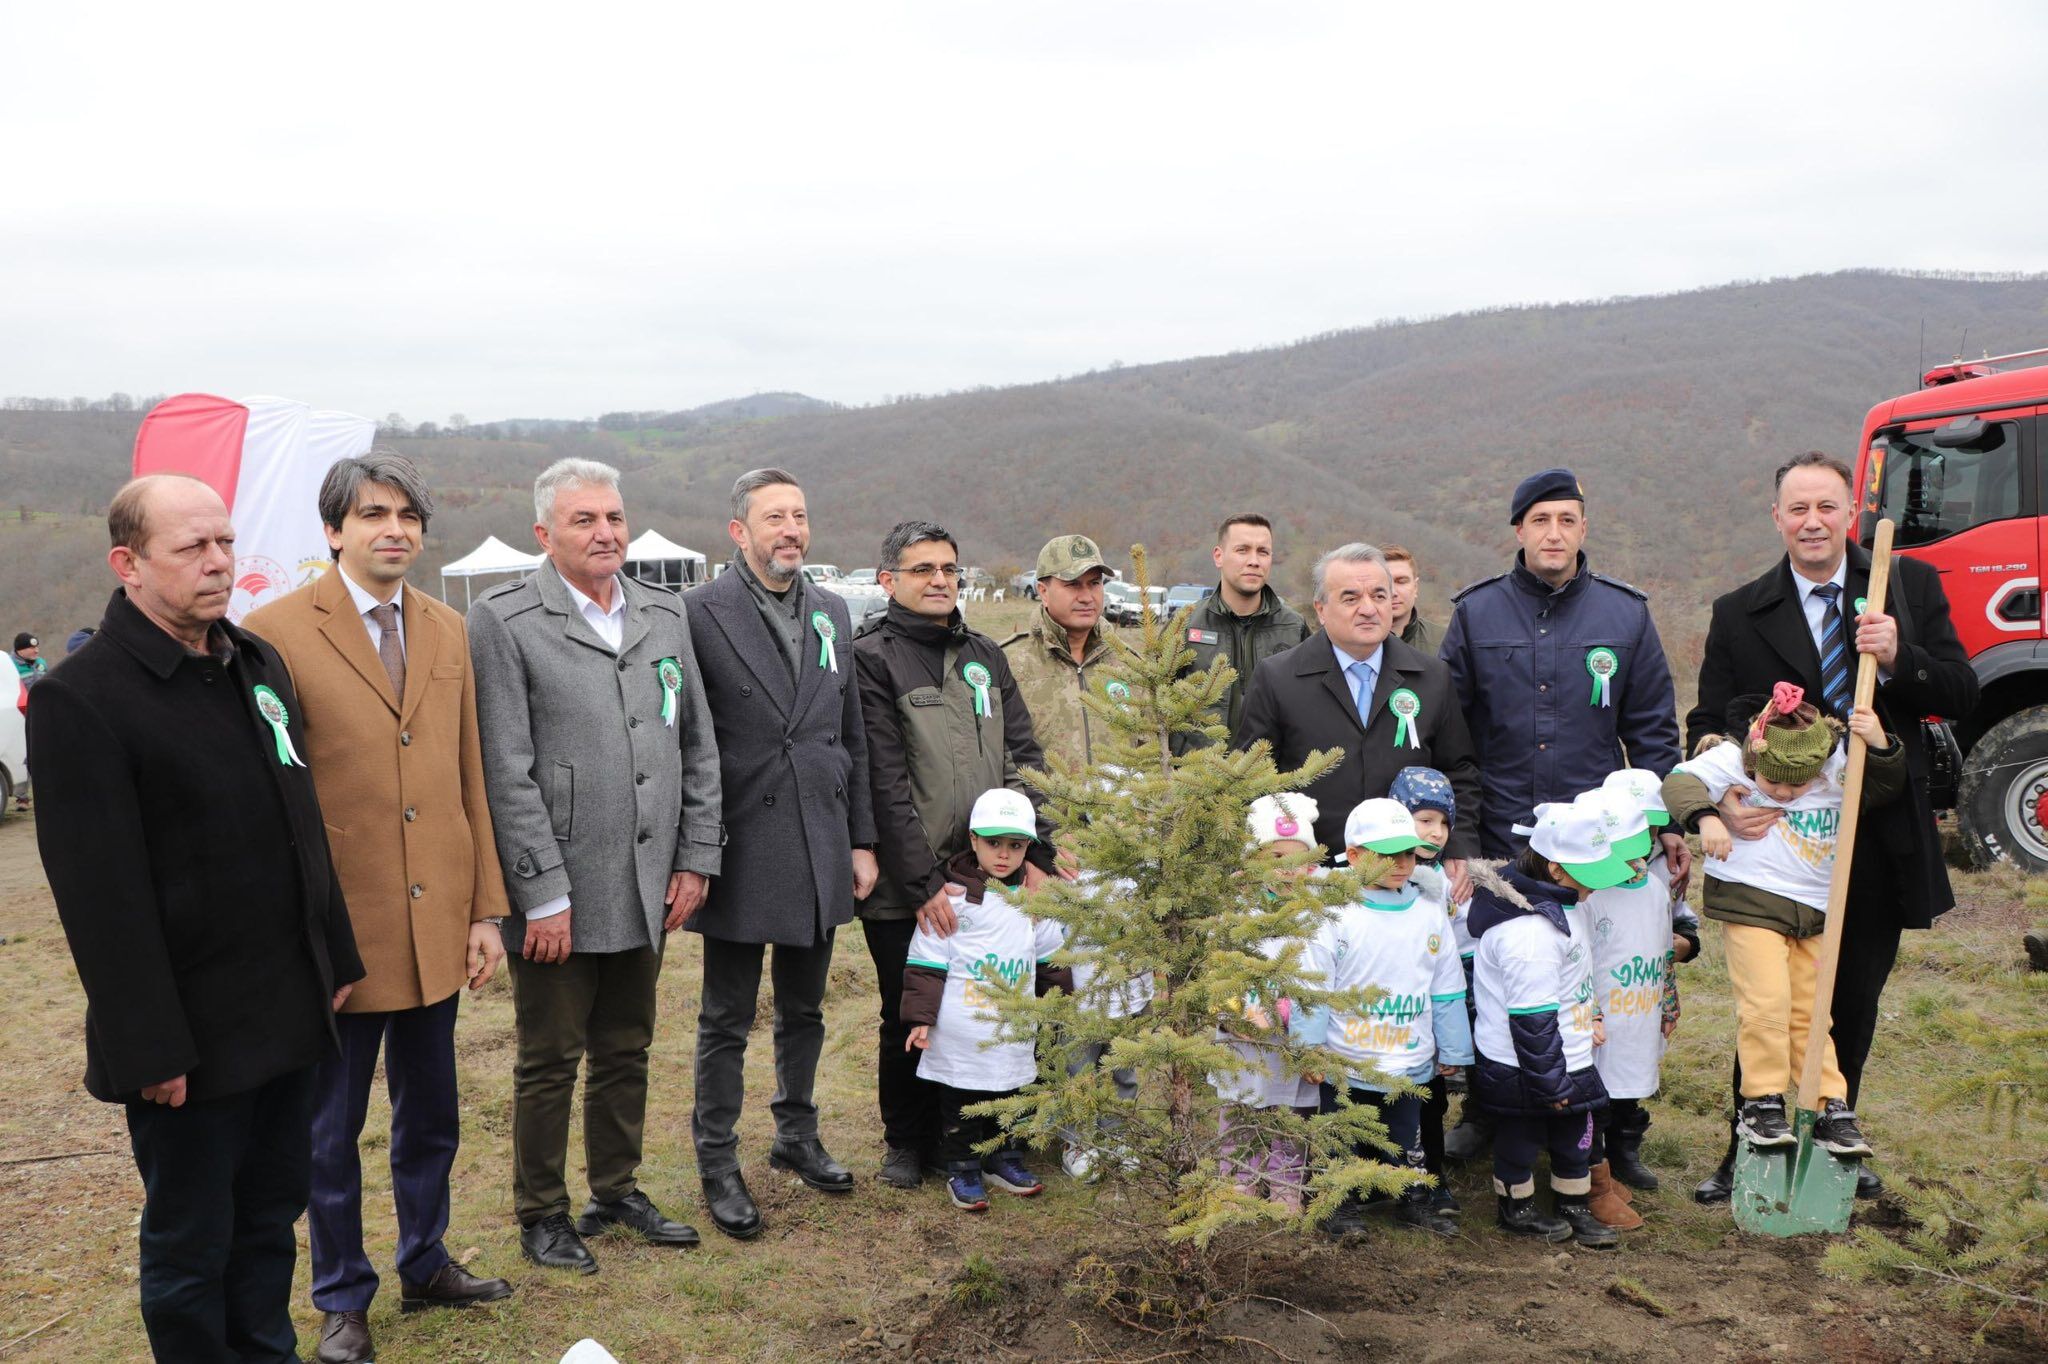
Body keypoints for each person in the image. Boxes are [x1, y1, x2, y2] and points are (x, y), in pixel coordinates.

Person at [30, 473, 363, 1362]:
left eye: (224, 542)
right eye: (193, 548)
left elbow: (302, 824)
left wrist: (334, 958)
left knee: (267, 1220)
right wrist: (150, 1048)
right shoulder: (83, 698)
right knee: (190, 1245)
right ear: (127, 564)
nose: (220, 563)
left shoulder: (254, 663)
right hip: (190, 1041)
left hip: (287, 1013)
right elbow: (101, 900)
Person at [243, 453, 513, 1363]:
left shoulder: (448, 628)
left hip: (438, 923)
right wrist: (300, 938)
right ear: (334, 530)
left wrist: (485, 910)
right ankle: (341, 1297)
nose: (392, 528)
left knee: (431, 1115)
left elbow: (469, 774)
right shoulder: (273, 633)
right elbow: (268, 801)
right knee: (331, 1130)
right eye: (371, 513)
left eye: (405, 514)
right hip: (338, 937)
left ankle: (426, 1258)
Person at [1686, 450, 1977, 1204]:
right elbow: (1708, 721)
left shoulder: (1904, 585)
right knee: (1771, 1000)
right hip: (1778, 845)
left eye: (1826, 507)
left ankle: (1831, 1140)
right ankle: (1747, 1145)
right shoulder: (1738, 610)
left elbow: (1961, 687)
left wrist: (1898, 655)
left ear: (1849, 513)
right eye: (1797, 508)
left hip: (1878, 830)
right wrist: (1718, 801)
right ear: (1776, 518)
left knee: (1850, 996)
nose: (1812, 521)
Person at [469, 458, 724, 1273]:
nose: (606, 532)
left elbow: (695, 744)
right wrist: (540, 893)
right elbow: (504, 769)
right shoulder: (506, 622)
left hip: (648, 881)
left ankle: (615, 1188)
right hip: (561, 892)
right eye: (584, 520)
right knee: (549, 1058)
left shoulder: (663, 611)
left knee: (629, 1045)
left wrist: (695, 856)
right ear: (544, 533)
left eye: (613, 516)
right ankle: (541, 1212)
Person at [682, 468, 877, 1240]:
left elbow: (850, 731)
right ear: (739, 532)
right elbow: (689, 737)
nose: (791, 529)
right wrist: (692, 846)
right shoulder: (700, 613)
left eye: (800, 515)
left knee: (805, 1006)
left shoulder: (832, 609)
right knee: (726, 1015)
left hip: (819, 833)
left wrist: (860, 839)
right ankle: (717, 1161)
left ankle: (796, 1133)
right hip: (741, 837)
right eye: (774, 518)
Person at [855, 520, 1056, 1189]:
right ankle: (909, 1141)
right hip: (911, 882)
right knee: (911, 1009)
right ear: (889, 580)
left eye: (948, 568)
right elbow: (884, 779)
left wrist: (1036, 853)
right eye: (923, 570)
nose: (940, 580)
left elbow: (1024, 752)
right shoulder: (873, 658)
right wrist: (923, 885)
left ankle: (982, 1138)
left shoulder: (985, 656)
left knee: (996, 1007)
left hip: (994, 873)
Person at [1666, 685, 1902, 1160]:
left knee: (1813, 1012)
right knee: (1767, 1002)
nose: (1788, 794)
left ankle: (1829, 1103)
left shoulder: (1834, 762)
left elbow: (1881, 786)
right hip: (1752, 904)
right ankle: (1762, 1101)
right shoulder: (1737, 755)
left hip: (1815, 914)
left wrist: (1881, 744)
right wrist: (1707, 818)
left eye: (1800, 786)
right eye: (1775, 785)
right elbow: (1677, 782)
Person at [1438, 468, 1687, 871]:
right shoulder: (1475, 613)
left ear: (1583, 529)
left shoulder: (1627, 614)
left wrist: (1670, 822)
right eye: (1541, 520)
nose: (1554, 533)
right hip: (1499, 832)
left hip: (1601, 834)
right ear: (1520, 530)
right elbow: (1448, 735)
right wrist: (1457, 834)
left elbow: (1652, 732)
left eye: (1566, 520)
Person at [1232, 542, 1481, 877]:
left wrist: (1459, 844)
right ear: (1321, 609)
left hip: (1406, 873)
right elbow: (1250, 781)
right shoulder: (1278, 678)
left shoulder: (1431, 677)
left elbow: (1459, 770)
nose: (1368, 609)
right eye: (1351, 598)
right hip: (1311, 880)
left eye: (1379, 596)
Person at [1464, 802, 1632, 1248]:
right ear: (1556, 870)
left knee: (1575, 1137)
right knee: (1520, 1139)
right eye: (1590, 872)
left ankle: (1574, 1203)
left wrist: (1589, 1017)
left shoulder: (1570, 904)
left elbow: (1576, 978)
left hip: (1569, 1052)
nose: (1599, 883)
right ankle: (1515, 1206)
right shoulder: (1529, 935)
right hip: (1526, 1064)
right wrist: (1551, 1082)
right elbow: (1531, 1019)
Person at [900, 788, 1070, 1212]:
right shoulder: (952, 898)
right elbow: (926, 962)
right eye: (993, 843)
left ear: (1028, 847)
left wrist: (1058, 1004)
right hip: (962, 1026)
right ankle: (962, 1166)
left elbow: (1050, 957)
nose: (1003, 854)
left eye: (1015, 846)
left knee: (1009, 1093)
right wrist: (919, 1018)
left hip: (1013, 1025)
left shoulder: (1035, 900)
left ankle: (1004, 1158)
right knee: (963, 1101)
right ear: (973, 840)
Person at [1313, 798, 1474, 1239]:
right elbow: (1314, 985)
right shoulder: (1333, 914)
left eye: (1407, 853)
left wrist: (1454, 1047)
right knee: (1341, 1135)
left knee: (1407, 1136)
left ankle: (1411, 1198)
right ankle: (1338, 1203)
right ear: (1356, 855)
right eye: (1388, 854)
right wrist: (1309, 1046)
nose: (1402, 864)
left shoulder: (1428, 913)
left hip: (1409, 1056)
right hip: (1345, 1058)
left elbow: (1446, 986)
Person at [1583, 768, 1700, 1203]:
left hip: (1641, 1008)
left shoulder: (1655, 887)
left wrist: (1668, 1004)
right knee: (1596, 1090)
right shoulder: (1591, 893)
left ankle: (1624, 1151)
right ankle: (1592, 1163)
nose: (1644, 837)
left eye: (1650, 827)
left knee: (1630, 1085)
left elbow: (1663, 952)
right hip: (1603, 1014)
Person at [1211, 794, 1324, 1213]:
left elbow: (1322, 970)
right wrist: (1232, 1012)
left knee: (1287, 1110)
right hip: (1243, 1032)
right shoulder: (1233, 909)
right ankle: (1239, 1179)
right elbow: (1217, 964)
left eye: (1297, 860)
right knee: (1240, 1105)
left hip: (1291, 1037)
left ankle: (1285, 1183)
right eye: (1275, 856)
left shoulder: (1316, 912)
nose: (1286, 869)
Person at [1385, 765, 1464, 1218]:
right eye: (1426, 821)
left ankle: (1431, 1177)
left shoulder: (1442, 883)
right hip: (1381, 1011)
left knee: (1428, 1098)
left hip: (1427, 1005)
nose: (1437, 833)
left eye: (1444, 823)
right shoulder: (1384, 881)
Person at [1172, 514, 1311, 753]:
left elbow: (1312, 705)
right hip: (1198, 778)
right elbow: (1157, 703)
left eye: (1263, 552)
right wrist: (1182, 756)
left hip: (1271, 781)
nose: (1254, 561)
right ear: (1219, 556)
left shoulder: (1294, 628)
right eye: (1242, 550)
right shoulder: (1186, 625)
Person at [1002, 534, 1117, 771]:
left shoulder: (1128, 665)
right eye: (1073, 584)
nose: (1086, 597)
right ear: (1043, 591)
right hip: (1040, 807)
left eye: (1094, 583)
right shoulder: (1009, 663)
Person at [1381, 547, 1436, 655]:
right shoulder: (1352, 643)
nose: (1393, 592)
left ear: (1415, 587)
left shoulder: (1445, 642)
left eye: (1401, 582)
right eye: (1384, 582)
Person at [11, 631, 43, 810]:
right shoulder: (9, 667)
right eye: (31, 647)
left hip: (39, 716)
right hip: (19, 717)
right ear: (20, 650)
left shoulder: (41, 664)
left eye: (37, 646)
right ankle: (21, 797)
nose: (36, 651)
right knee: (22, 755)